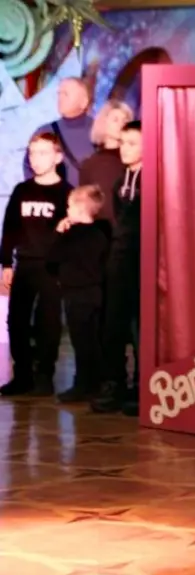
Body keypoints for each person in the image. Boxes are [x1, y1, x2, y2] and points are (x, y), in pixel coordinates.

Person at [0, 133, 71, 396]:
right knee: (16, 320)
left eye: (43, 153)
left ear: (57, 157)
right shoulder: (22, 190)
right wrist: (6, 263)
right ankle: (22, 375)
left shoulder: (66, 192)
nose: (36, 159)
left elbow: (69, 234)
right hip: (25, 264)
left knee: (48, 321)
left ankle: (44, 375)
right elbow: (10, 228)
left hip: (51, 267)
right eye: (32, 153)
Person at [91, 120, 142, 416]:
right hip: (119, 259)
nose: (125, 149)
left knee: (139, 326)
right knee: (113, 323)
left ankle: (141, 385)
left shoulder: (152, 179)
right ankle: (114, 382)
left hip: (141, 260)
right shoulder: (120, 182)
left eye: (133, 143)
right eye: (123, 143)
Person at [49, 185, 112, 402]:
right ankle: (96, 382)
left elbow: (52, 258)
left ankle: (83, 384)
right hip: (95, 292)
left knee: (81, 341)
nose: (66, 210)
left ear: (78, 208)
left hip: (76, 294)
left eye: (69, 206)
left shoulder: (71, 236)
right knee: (93, 339)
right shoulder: (101, 235)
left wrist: (59, 233)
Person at [24, 77, 94, 186]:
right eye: (59, 94)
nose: (60, 98)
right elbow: (28, 166)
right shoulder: (45, 131)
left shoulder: (99, 132)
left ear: (84, 102)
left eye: (65, 94)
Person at [80, 100, 133, 222]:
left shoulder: (134, 161)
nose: (121, 124)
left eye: (125, 121)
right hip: (100, 229)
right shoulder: (90, 164)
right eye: (115, 120)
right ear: (103, 123)